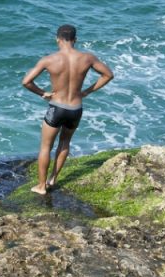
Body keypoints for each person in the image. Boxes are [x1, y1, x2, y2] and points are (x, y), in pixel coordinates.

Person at [21, 24, 114, 195]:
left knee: (45, 147)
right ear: (75, 40)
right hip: (75, 108)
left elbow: (26, 81)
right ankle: (53, 179)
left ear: (57, 39)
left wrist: (43, 93)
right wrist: (87, 91)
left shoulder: (49, 60)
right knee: (64, 143)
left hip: (56, 107)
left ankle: (41, 186)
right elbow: (108, 74)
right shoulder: (87, 58)